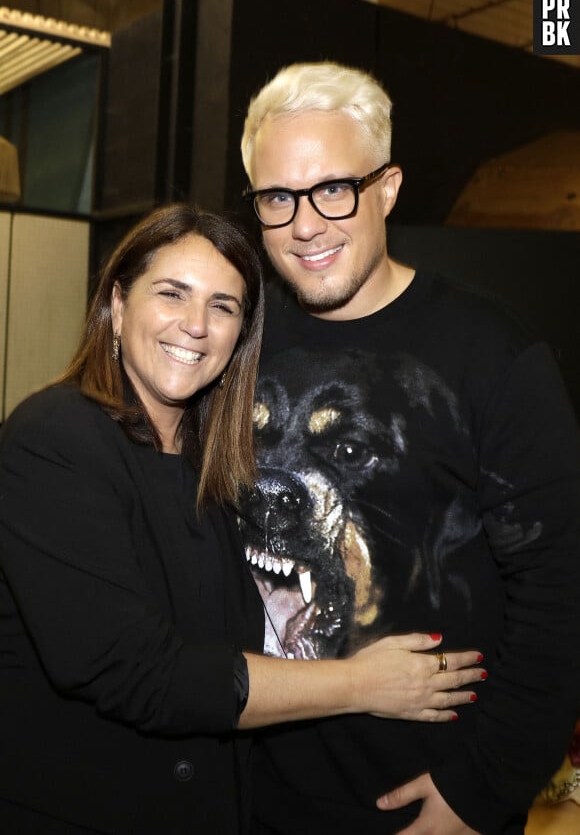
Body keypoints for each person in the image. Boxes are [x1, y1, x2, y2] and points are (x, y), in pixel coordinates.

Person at [0, 203, 484, 834]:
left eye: (223, 306)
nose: (195, 326)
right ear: (118, 307)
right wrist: (362, 683)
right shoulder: (54, 438)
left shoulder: (214, 463)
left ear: (240, 337)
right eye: (172, 293)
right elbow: (140, 673)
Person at [239, 62, 580, 834]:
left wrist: (483, 790)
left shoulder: (490, 354)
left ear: (387, 188)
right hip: (249, 793)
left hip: (425, 800)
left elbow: (560, 589)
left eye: (334, 189)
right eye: (277, 198)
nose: (305, 224)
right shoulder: (236, 336)